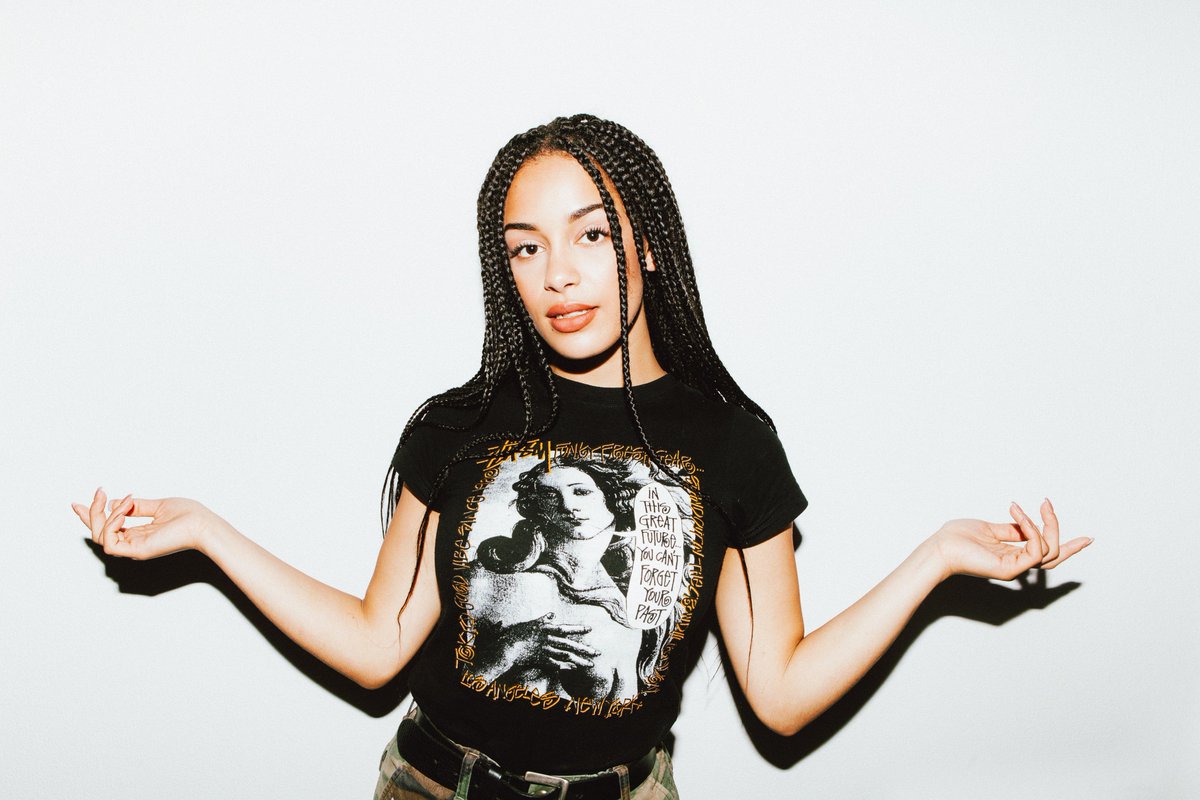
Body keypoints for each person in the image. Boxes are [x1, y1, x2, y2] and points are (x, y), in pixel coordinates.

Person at [72, 113, 1091, 800]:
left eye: (590, 235)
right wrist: (208, 533)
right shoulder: (457, 425)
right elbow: (378, 642)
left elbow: (780, 693)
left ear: (645, 243)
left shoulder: (731, 443)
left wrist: (936, 559)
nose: (557, 273)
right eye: (525, 246)